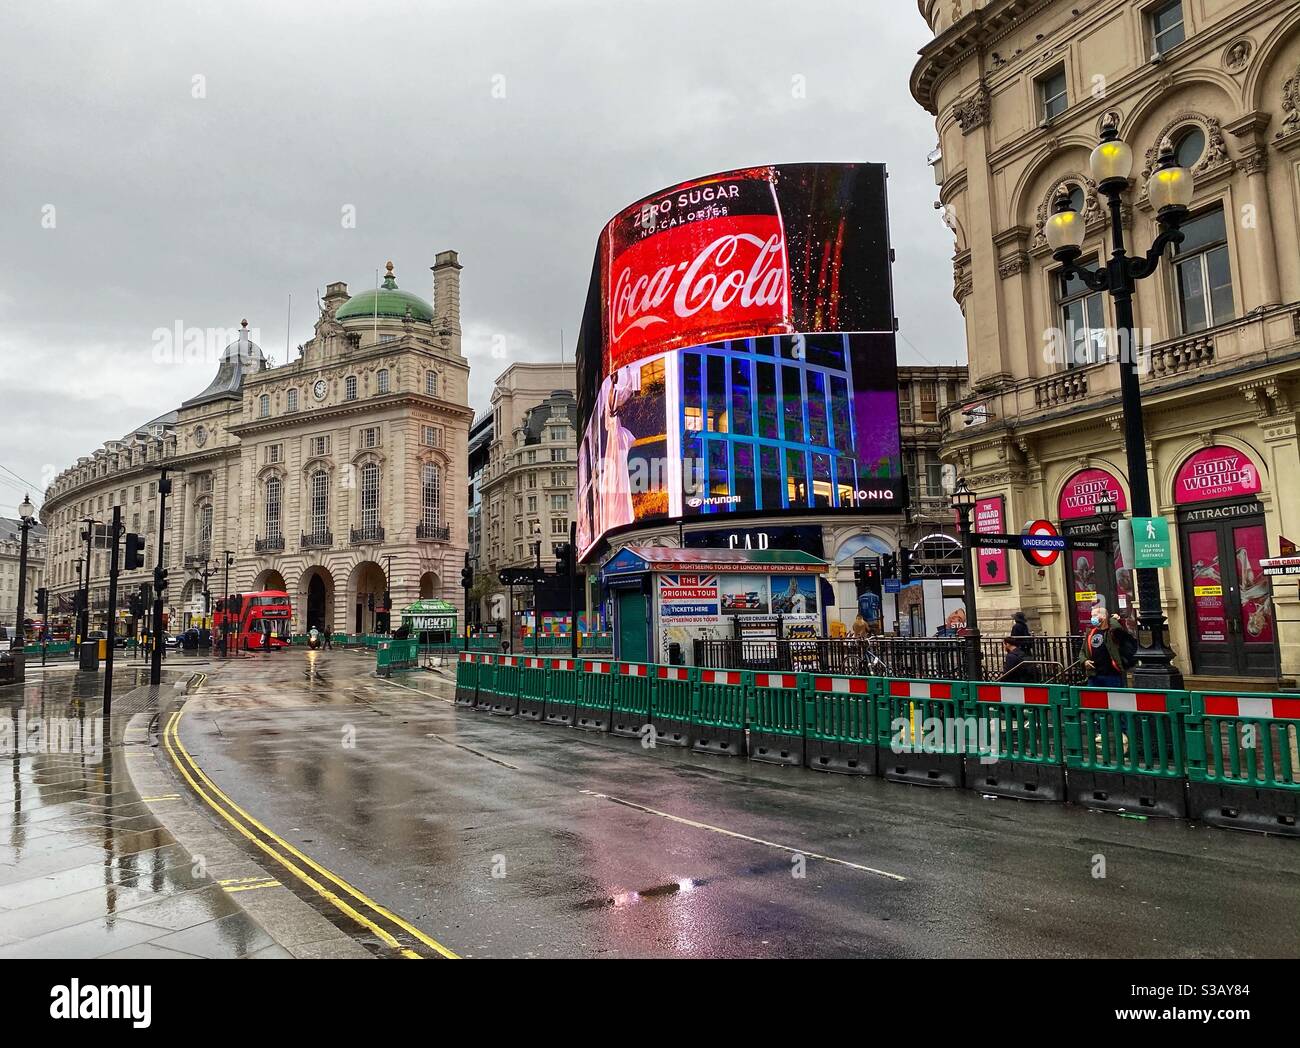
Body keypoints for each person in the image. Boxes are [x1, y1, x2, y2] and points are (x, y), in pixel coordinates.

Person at [1078, 604, 1136, 687]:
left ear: (1104, 616)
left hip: (1112, 675)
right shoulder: (1090, 633)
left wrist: (1112, 619)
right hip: (1094, 675)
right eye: (1091, 616)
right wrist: (1084, 661)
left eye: (1095, 615)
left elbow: (1117, 628)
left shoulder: (1112, 632)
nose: (1092, 618)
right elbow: (1082, 651)